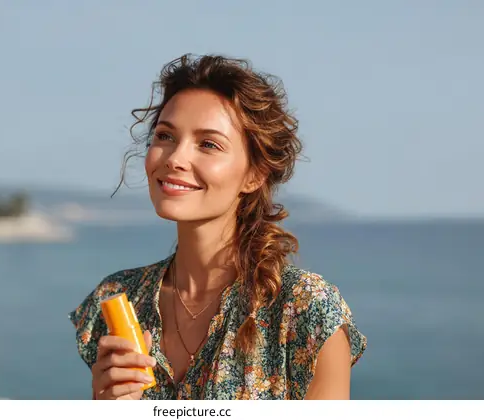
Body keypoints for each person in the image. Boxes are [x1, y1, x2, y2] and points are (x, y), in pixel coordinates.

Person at [69, 54, 367, 400]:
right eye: (165, 136)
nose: (175, 159)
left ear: (255, 174)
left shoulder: (306, 312)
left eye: (208, 144)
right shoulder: (120, 298)